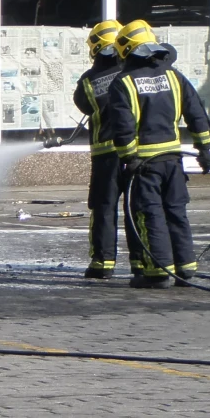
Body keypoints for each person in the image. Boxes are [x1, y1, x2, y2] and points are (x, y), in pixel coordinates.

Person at [106, 19, 210, 288]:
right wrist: (205, 151)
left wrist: (129, 158)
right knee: (177, 212)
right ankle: (186, 268)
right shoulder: (173, 76)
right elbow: (197, 115)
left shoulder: (124, 83)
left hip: (144, 163)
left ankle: (158, 273)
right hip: (173, 161)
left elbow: (123, 126)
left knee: (150, 213)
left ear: (126, 51)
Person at [72, 20, 124, 279]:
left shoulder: (88, 82)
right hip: (139, 154)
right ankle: (148, 265)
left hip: (106, 155)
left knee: (104, 207)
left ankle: (103, 263)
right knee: (143, 207)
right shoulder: (133, 73)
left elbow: (84, 105)